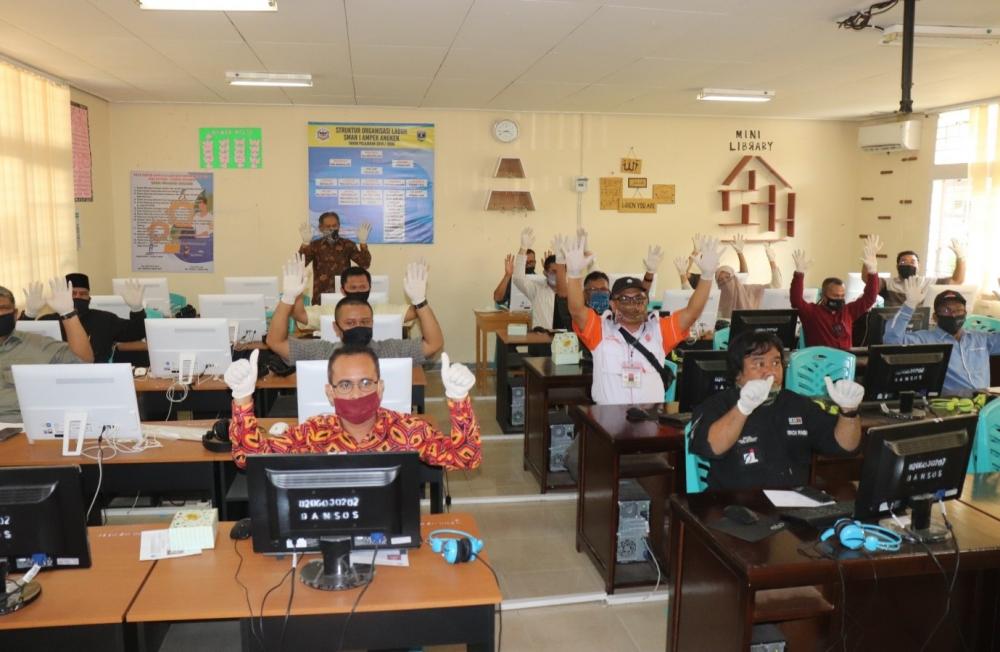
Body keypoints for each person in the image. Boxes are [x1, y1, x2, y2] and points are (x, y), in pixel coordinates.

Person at [224, 344, 480, 470]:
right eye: (345, 385)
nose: (357, 393)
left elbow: (466, 457)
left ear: (381, 388)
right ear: (330, 393)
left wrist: (459, 400)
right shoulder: (312, 434)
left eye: (366, 383)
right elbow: (249, 459)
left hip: (391, 535)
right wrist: (243, 399)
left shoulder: (409, 430)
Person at [690, 331, 864, 490]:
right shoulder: (718, 404)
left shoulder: (796, 403)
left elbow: (846, 446)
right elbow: (711, 447)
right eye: (759, 364)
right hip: (736, 507)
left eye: (776, 363)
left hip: (792, 506)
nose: (770, 372)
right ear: (737, 373)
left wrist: (849, 412)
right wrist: (743, 408)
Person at [566, 234, 722, 404]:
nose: (633, 304)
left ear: (646, 302)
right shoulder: (599, 329)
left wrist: (706, 276)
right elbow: (576, 310)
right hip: (608, 420)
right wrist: (574, 274)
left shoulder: (660, 330)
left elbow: (692, 312)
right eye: (625, 299)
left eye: (639, 298)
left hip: (650, 419)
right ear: (613, 304)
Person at [267, 254, 443, 365]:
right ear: (336, 327)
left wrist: (420, 300)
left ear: (372, 323)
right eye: (350, 323)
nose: (358, 326)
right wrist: (289, 297)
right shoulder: (322, 352)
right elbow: (275, 342)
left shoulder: (390, 350)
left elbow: (433, 344)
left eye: (364, 322)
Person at [883, 281, 1000, 396]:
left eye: (958, 309)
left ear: (965, 313)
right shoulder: (925, 340)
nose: (953, 314)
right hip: (952, 408)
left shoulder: (981, 339)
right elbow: (892, 342)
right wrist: (909, 305)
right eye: (946, 310)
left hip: (986, 404)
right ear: (935, 317)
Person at [1, 279, 95, 421]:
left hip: (17, 429)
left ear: (14, 313)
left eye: (2, 308)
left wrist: (68, 314)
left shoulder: (38, 344)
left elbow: (85, 361)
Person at [19, 274, 147, 363]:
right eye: (73, 293)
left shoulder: (105, 319)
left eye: (83, 294)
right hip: (55, 377)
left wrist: (137, 310)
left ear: (89, 298)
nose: (78, 297)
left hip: (97, 377)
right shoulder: (48, 320)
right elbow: (18, 342)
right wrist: (29, 314)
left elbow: (137, 332)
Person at [791, 235, 881, 350]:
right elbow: (796, 300)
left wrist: (873, 272)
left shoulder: (848, 311)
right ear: (823, 296)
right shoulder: (812, 313)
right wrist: (799, 275)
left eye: (842, 296)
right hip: (820, 364)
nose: (839, 299)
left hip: (845, 363)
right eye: (835, 296)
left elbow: (870, 298)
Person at [290, 266, 415, 332]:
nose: (358, 291)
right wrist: (297, 292)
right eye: (353, 287)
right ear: (343, 290)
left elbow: (414, 312)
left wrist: (418, 297)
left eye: (362, 287)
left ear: (370, 288)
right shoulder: (330, 311)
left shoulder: (383, 309)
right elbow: (299, 315)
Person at [865, 239, 966, 307]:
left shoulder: (929, 282)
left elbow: (957, 281)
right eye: (903, 261)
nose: (908, 264)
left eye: (913, 262)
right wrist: (868, 261)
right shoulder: (888, 283)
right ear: (897, 266)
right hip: (893, 326)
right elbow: (868, 280)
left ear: (919, 266)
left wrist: (961, 258)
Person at [298, 211, 372, 304]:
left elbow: (365, 264)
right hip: (320, 297)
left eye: (334, 225)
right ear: (321, 228)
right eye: (328, 226)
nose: (332, 229)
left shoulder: (347, 244)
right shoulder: (315, 246)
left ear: (339, 226)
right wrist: (305, 244)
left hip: (344, 295)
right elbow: (300, 265)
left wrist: (363, 243)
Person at [715, 236, 781, 320]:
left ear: (734, 278)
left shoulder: (748, 290)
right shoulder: (717, 299)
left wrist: (772, 261)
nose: (725, 282)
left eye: (728, 277)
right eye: (720, 280)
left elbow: (776, 285)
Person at [512, 228, 559, 330]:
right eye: (553, 272)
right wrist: (523, 249)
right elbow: (518, 279)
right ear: (545, 273)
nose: (558, 275)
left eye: (561, 271)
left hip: (564, 341)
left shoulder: (570, 293)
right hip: (540, 339)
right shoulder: (537, 289)